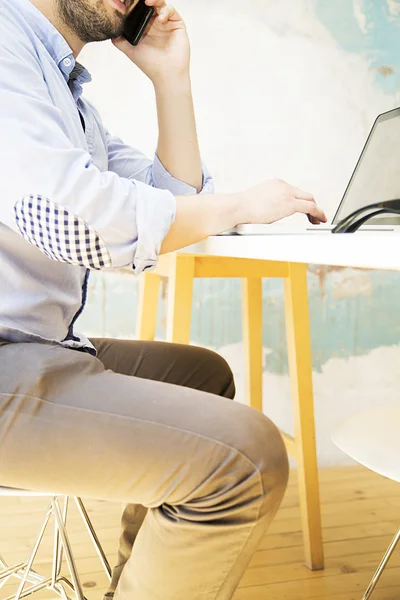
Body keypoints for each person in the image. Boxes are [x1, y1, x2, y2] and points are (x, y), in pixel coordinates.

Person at [0, 0, 326, 598]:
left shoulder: (68, 99)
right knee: (247, 459)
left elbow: (166, 199)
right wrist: (240, 204)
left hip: (36, 348)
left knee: (200, 375)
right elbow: (76, 221)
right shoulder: (4, 49)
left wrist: (171, 81)